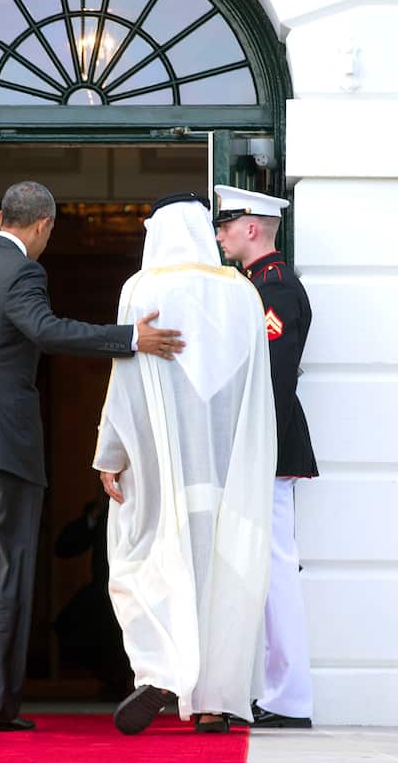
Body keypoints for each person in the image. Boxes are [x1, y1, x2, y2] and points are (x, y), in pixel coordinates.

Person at [0, 180, 185, 733]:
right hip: (2, 437)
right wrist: (130, 338)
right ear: (43, 226)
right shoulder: (24, 271)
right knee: (8, 568)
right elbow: (44, 330)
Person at [94, 192, 276, 735]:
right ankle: (214, 702)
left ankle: (163, 670)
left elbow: (125, 380)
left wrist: (110, 454)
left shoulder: (142, 288)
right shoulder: (243, 293)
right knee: (221, 571)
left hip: (160, 463)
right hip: (225, 464)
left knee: (143, 558)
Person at [214, 184, 319, 730]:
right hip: (264, 443)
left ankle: (289, 698)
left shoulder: (272, 287)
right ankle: (275, 692)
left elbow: (274, 378)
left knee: (276, 569)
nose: (220, 234)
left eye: (226, 224)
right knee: (264, 567)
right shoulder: (256, 284)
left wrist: (254, 446)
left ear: (252, 227)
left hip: (270, 443)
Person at [52, 496, 132, 699]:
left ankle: (129, 680)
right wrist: (92, 517)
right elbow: (63, 547)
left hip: (138, 592)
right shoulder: (103, 512)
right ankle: (113, 679)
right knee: (69, 624)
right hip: (103, 593)